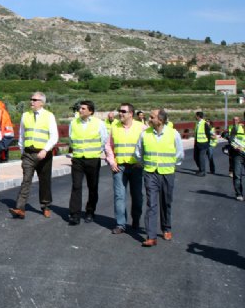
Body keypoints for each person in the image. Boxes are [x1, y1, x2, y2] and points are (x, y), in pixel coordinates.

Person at [135, 109, 184, 247]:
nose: (149, 119)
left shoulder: (173, 134)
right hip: (151, 173)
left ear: (160, 120)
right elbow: (138, 153)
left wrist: (170, 165)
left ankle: (166, 228)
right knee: (151, 203)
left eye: (152, 117)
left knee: (166, 201)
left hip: (167, 173)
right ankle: (151, 236)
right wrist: (146, 164)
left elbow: (179, 154)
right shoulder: (145, 134)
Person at [9, 92, 58, 219]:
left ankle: (45, 206)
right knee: (26, 180)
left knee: (44, 181)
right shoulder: (25, 115)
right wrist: (22, 151)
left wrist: (45, 150)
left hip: (43, 154)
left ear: (42, 102)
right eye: (31, 99)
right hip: (28, 154)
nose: (31, 102)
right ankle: (20, 208)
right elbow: (21, 135)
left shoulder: (49, 116)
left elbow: (54, 136)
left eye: (35, 100)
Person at [104, 103, 146, 234]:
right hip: (119, 167)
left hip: (136, 167)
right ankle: (120, 224)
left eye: (123, 111)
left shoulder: (142, 127)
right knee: (119, 196)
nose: (120, 113)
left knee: (137, 196)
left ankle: (136, 218)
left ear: (131, 114)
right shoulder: (114, 127)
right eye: (119, 111)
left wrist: (142, 162)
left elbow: (147, 145)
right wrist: (111, 161)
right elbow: (108, 145)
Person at [68, 100, 108, 225]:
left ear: (90, 111)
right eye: (80, 108)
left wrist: (96, 152)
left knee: (93, 187)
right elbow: (71, 139)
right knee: (76, 186)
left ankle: (90, 212)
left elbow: (104, 139)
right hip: (78, 159)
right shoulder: (73, 123)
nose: (80, 110)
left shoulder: (99, 123)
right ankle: (75, 214)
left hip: (93, 160)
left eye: (83, 109)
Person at [226, 116, 244, 201]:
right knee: (237, 174)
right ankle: (239, 194)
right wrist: (235, 147)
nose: (235, 121)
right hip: (238, 154)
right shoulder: (234, 128)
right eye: (234, 119)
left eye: (236, 120)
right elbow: (231, 140)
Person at [193, 111, 212, 176]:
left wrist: (207, 143)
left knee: (201, 158)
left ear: (198, 116)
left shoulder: (204, 124)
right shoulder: (197, 123)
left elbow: (208, 134)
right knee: (195, 157)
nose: (195, 117)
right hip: (197, 143)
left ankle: (202, 171)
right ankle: (200, 168)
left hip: (203, 143)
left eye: (196, 115)